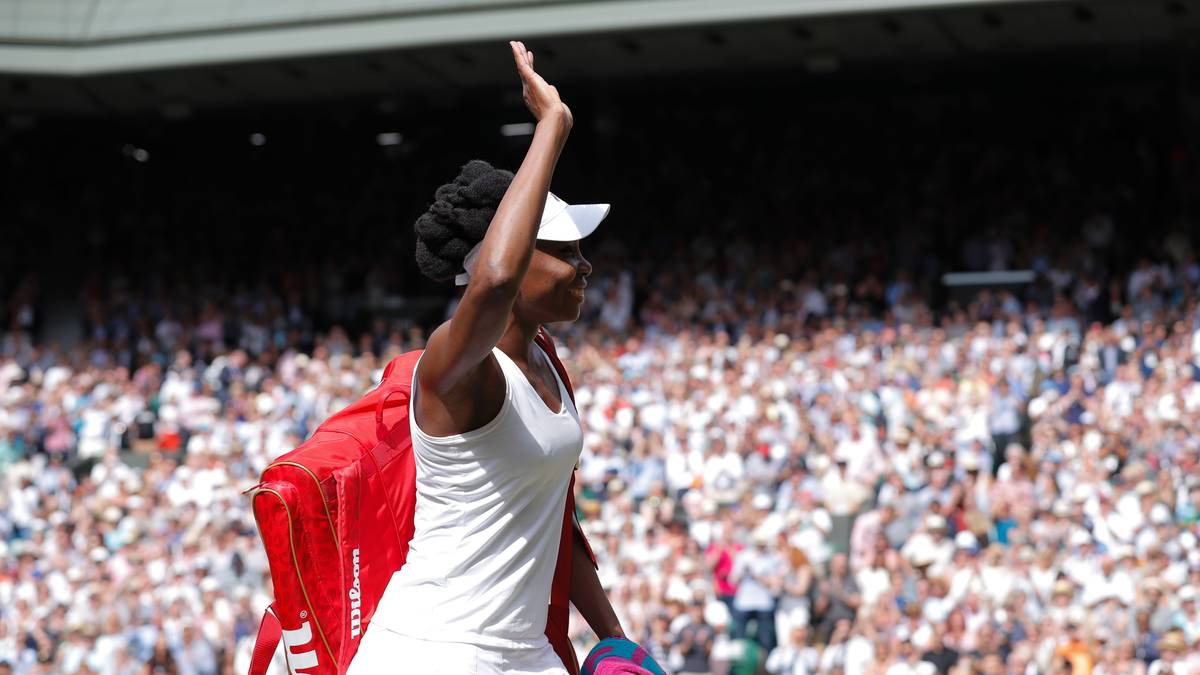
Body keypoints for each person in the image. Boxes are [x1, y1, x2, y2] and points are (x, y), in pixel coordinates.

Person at [348, 41, 623, 674]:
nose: (586, 265)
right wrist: (552, 126)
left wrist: (615, 638)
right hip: (432, 653)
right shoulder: (453, 366)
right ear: (512, 258)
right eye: (565, 250)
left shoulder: (548, 363)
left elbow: (553, 519)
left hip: (526, 655)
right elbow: (493, 287)